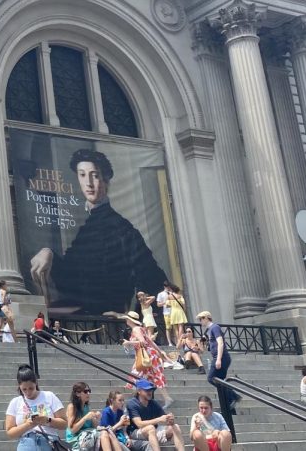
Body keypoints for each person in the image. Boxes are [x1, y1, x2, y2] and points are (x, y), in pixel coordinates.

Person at [29, 149, 167, 316]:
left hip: (108, 322)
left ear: (106, 180)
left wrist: (128, 316)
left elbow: (154, 280)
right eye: (82, 175)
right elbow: (70, 278)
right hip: (85, 318)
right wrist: (48, 253)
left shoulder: (122, 230)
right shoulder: (88, 224)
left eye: (94, 175)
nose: (88, 182)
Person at [4, 363, 66, 450]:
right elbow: (10, 432)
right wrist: (29, 425)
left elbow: (64, 423)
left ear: (36, 383)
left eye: (31, 388)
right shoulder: (15, 402)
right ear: (19, 386)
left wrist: (47, 420)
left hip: (48, 441)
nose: (28, 392)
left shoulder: (49, 396)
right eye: (24, 389)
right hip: (26, 442)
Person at [122, 312, 171, 409]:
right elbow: (151, 342)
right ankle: (162, 398)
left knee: (137, 377)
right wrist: (160, 352)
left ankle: (138, 401)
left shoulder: (136, 329)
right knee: (152, 376)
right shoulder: (141, 329)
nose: (126, 320)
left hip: (146, 355)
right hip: (149, 355)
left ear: (130, 320)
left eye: (127, 319)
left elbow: (143, 342)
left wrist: (129, 342)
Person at [196, 311, 240, 415]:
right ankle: (229, 409)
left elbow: (220, 343)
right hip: (219, 357)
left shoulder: (215, 327)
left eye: (201, 319)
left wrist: (219, 359)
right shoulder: (209, 330)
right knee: (220, 383)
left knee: (211, 378)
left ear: (206, 318)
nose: (200, 321)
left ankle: (234, 396)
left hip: (221, 357)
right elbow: (205, 348)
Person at [125, 379, 185, 451]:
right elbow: (139, 424)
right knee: (150, 428)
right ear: (139, 391)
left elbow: (165, 419)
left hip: (153, 431)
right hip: (136, 432)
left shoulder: (153, 403)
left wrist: (170, 419)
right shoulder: (132, 403)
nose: (150, 392)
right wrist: (159, 419)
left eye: (151, 390)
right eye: (147, 390)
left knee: (175, 427)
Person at [65, 381, 124, 451]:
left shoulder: (86, 407)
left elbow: (95, 427)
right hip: (75, 439)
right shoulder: (72, 407)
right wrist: (85, 418)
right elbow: (72, 430)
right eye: (85, 391)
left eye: (89, 391)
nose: (88, 393)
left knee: (109, 433)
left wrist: (95, 418)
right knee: (105, 433)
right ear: (77, 393)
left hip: (88, 434)